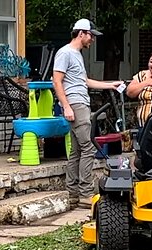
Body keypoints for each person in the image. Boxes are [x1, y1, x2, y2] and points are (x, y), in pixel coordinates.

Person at [53, 18, 123, 208]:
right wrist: (66, 106)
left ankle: (73, 194)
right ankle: (85, 194)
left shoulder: (76, 54)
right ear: (81, 33)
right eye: (91, 35)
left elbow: (85, 81)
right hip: (75, 104)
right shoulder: (65, 53)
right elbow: (57, 81)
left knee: (76, 150)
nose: (92, 39)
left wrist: (111, 85)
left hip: (79, 103)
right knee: (88, 147)